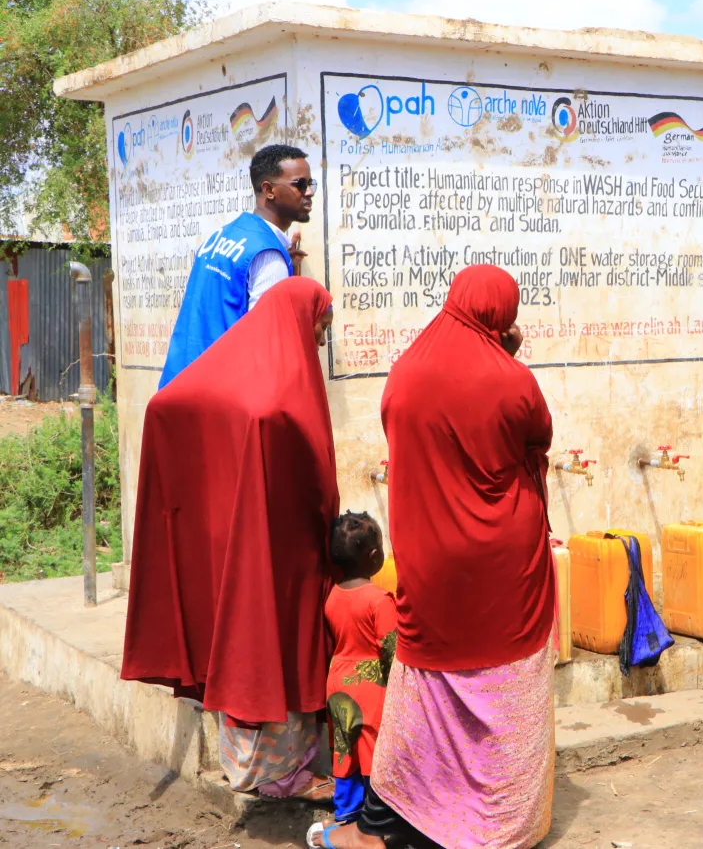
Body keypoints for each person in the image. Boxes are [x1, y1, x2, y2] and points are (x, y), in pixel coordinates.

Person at [311, 265, 554, 849]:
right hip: (506, 567)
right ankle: (498, 826)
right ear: (499, 315)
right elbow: (536, 437)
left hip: (432, 563)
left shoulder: (406, 373)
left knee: (423, 691)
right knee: (505, 686)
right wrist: (507, 358)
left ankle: (381, 827)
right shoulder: (513, 381)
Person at [121, 276, 338, 800]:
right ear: (301, 321)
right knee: (272, 644)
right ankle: (279, 773)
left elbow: (168, 403)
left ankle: (248, 767)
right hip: (279, 548)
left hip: (235, 538)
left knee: (242, 638)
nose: (321, 339)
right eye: (321, 327)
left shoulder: (236, 363)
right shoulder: (283, 387)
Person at [159, 144, 313, 387]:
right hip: (220, 390)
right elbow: (265, 344)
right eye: (300, 184)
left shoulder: (223, 235)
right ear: (268, 190)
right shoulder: (268, 255)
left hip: (180, 381)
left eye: (310, 184)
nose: (309, 192)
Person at [325, 512, 396, 823]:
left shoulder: (333, 595)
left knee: (345, 747)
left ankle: (345, 811)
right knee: (372, 748)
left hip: (338, 679)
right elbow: (391, 650)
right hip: (371, 686)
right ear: (374, 555)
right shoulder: (380, 600)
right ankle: (374, 816)